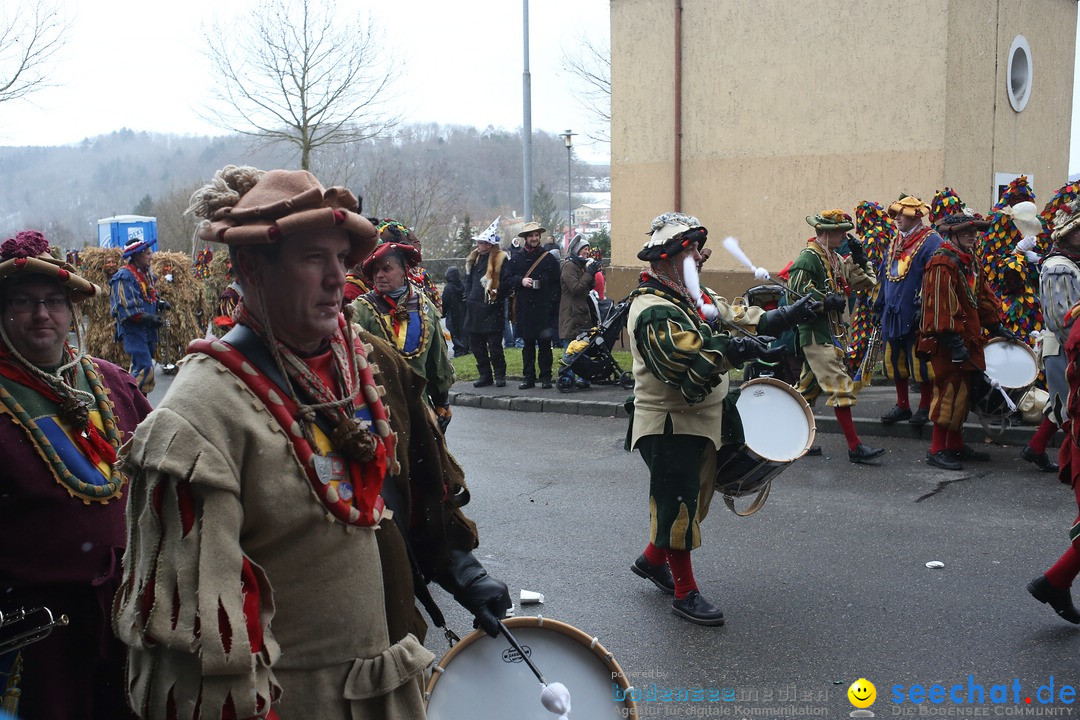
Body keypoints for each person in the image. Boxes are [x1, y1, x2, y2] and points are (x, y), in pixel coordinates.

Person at [114, 165, 511, 720]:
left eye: (341, 258)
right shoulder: (199, 416)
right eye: (312, 259)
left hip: (393, 683)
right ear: (251, 268)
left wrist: (461, 570)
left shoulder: (369, 360)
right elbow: (194, 649)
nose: (338, 278)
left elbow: (416, 487)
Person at [626, 212, 820, 626]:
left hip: (701, 419)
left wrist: (790, 314)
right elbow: (682, 362)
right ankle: (685, 593)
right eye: (694, 249)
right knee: (678, 504)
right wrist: (734, 352)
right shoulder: (652, 309)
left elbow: (736, 315)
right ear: (669, 258)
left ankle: (651, 561)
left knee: (695, 501)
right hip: (670, 425)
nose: (703, 255)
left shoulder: (691, 296)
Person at [0, 230, 151, 719]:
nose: (42, 315)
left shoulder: (113, 383)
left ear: (72, 311)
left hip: (131, 620)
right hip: (39, 637)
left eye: (54, 301)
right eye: (23, 302)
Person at [916, 211, 1009, 470]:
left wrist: (996, 325)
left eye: (974, 231)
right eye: (967, 231)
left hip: (968, 339)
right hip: (947, 342)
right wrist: (953, 341)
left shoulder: (970, 261)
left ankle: (954, 446)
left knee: (962, 395)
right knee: (948, 393)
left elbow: (981, 297)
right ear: (953, 234)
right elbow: (938, 308)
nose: (972, 236)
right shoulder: (942, 262)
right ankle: (936, 450)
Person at [790, 209, 885, 463]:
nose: (845, 235)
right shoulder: (808, 259)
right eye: (841, 231)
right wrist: (823, 302)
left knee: (806, 391)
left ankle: (792, 438)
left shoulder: (835, 258)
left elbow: (866, 283)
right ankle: (855, 447)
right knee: (841, 386)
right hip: (816, 335)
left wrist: (860, 258)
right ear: (826, 232)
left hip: (833, 334)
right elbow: (795, 297)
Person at [350, 240, 455, 431]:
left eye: (387, 269)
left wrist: (442, 402)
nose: (379, 275)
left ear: (404, 270)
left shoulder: (425, 307)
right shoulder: (360, 309)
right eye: (375, 271)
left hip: (420, 407)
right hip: (379, 411)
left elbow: (436, 360)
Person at [876, 196, 941, 426]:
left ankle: (925, 406)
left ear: (916, 217)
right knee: (895, 358)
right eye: (895, 214)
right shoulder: (895, 241)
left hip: (915, 312)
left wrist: (924, 306)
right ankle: (902, 405)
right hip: (893, 312)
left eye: (901, 215)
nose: (896, 219)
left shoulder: (932, 241)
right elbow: (885, 274)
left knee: (921, 361)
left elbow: (934, 277)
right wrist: (879, 304)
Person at [506, 221, 561, 389]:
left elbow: (557, 285)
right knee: (528, 346)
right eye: (531, 235)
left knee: (545, 346)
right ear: (525, 238)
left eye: (536, 235)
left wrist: (552, 304)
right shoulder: (516, 260)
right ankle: (528, 378)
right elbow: (506, 281)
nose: (534, 238)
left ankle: (545, 377)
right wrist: (520, 281)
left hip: (544, 309)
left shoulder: (549, 259)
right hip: (525, 309)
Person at [110, 238, 168, 395]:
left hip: (147, 331)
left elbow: (148, 297)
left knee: (141, 368)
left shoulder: (146, 274)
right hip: (133, 331)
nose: (152, 256)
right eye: (148, 253)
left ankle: (137, 402)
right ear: (137, 255)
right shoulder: (124, 277)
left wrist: (159, 304)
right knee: (145, 367)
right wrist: (149, 318)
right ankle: (133, 405)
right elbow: (126, 309)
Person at [463, 217, 510, 387]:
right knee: (477, 346)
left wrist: (496, 298)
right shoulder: (474, 258)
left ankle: (499, 375)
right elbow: (468, 280)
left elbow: (506, 283)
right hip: (474, 309)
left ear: (489, 245)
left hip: (491, 309)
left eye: (481, 243)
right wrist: (468, 297)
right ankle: (485, 375)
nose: (478, 245)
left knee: (495, 346)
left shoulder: (501, 260)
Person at [559, 234, 601, 388]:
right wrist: (588, 273)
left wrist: (592, 271)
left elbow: (589, 286)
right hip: (571, 313)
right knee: (570, 346)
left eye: (588, 249)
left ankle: (583, 378)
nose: (587, 251)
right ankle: (566, 378)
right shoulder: (569, 266)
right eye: (584, 248)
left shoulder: (580, 265)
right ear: (577, 250)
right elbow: (576, 289)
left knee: (582, 347)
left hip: (581, 312)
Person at [441, 265, 469, 357]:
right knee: (464, 332)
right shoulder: (463, 286)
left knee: (455, 333)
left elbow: (445, 302)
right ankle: (466, 347)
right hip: (464, 313)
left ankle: (459, 349)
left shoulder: (448, 288)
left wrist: (443, 313)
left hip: (453, 314)